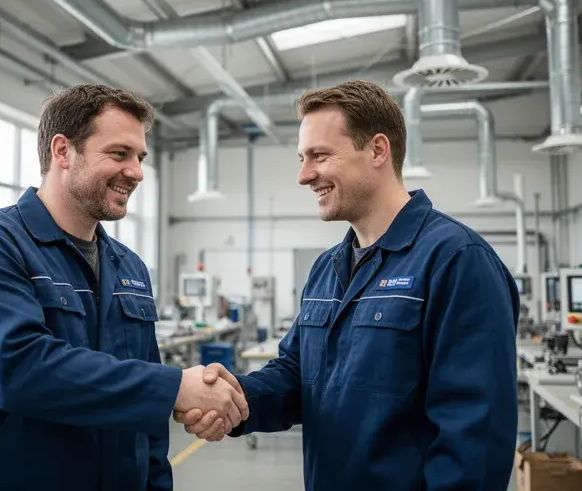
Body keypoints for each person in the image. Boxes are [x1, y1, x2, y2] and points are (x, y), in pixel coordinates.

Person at [175, 80, 519, 489]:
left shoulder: (456, 260)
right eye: (302, 158)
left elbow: (474, 440)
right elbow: (297, 374)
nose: (304, 175)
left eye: (319, 155)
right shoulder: (327, 268)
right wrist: (237, 399)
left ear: (377, 150)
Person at [0, 84, 248, 491]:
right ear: (63, 151)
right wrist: (174, 388)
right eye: (119, 154)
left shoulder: (130, 267)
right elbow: (20, 371)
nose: (136, 172)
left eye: (139, 157)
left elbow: (147, 421)